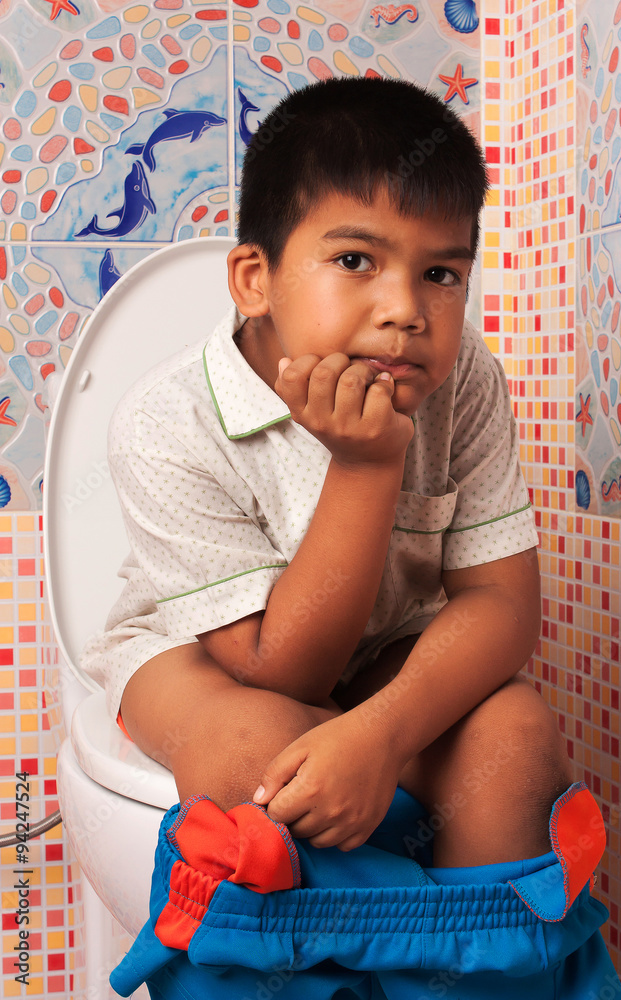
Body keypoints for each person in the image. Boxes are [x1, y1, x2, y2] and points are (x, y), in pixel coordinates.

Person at [81, 76, 574, 872]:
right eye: (355, 260)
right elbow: (281, 671)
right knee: (254, 750)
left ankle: (470, 943)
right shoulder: (165, 421)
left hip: (384, 648)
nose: (405, 309)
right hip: (205, 660)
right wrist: (366, 466)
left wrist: (383, 733)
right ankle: (331, 941)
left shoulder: (464, 378)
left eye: (441, 275)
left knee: (515, 736)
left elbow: (504, 605)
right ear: (255, 281)